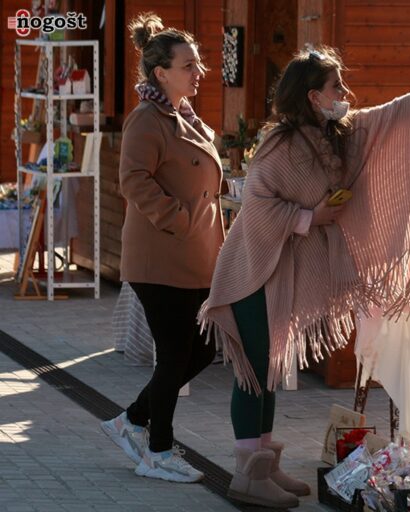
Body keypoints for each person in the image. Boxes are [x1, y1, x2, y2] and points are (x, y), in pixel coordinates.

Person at [198, 45, 410, 507]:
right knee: (254, 372)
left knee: (270, 368)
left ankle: (265, 465)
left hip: (284, 274)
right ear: (313, 96)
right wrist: (310, 216)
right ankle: (247, 476)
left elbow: (398, 113)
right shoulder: (279, 145)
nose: (345, 92)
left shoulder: (340, 134)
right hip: (253, 271)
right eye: (336, 85)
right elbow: (257, 206)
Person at [100, 12, 223, 484]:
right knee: (175, 354)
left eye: (198, 63)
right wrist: (181, 220)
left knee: (203, 349)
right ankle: (158, 452)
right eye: (188, 65)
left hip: (195, 257)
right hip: (161, 258)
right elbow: (133, 180)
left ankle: (132, 419)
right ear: (161, 73)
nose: (199, 72)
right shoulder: (146, 120)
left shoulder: (184, 116)